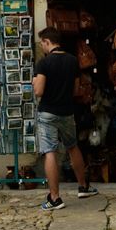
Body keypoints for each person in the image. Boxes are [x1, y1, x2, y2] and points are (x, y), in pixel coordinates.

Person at [33, 28, 99, 210]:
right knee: (72, 146)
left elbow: (39, 91)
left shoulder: (43, 63)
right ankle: (83, 186)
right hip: (67, 111)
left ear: (47, 42)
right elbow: (76, 90)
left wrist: (34, 83)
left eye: (42, 43)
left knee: (50, 152)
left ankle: (54, 198)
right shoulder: (72, 61)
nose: (41, 47)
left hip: (48, 112)